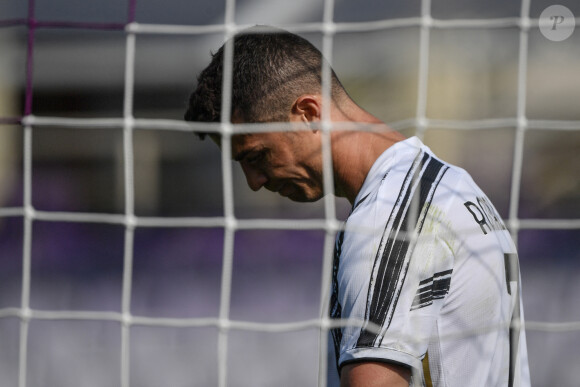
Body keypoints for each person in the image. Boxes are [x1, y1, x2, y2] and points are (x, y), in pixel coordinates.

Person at [184, 26, 530, 387]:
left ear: (308, 113)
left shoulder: (386, 219)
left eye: (257, 156)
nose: (254, 182)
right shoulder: (453, 185)